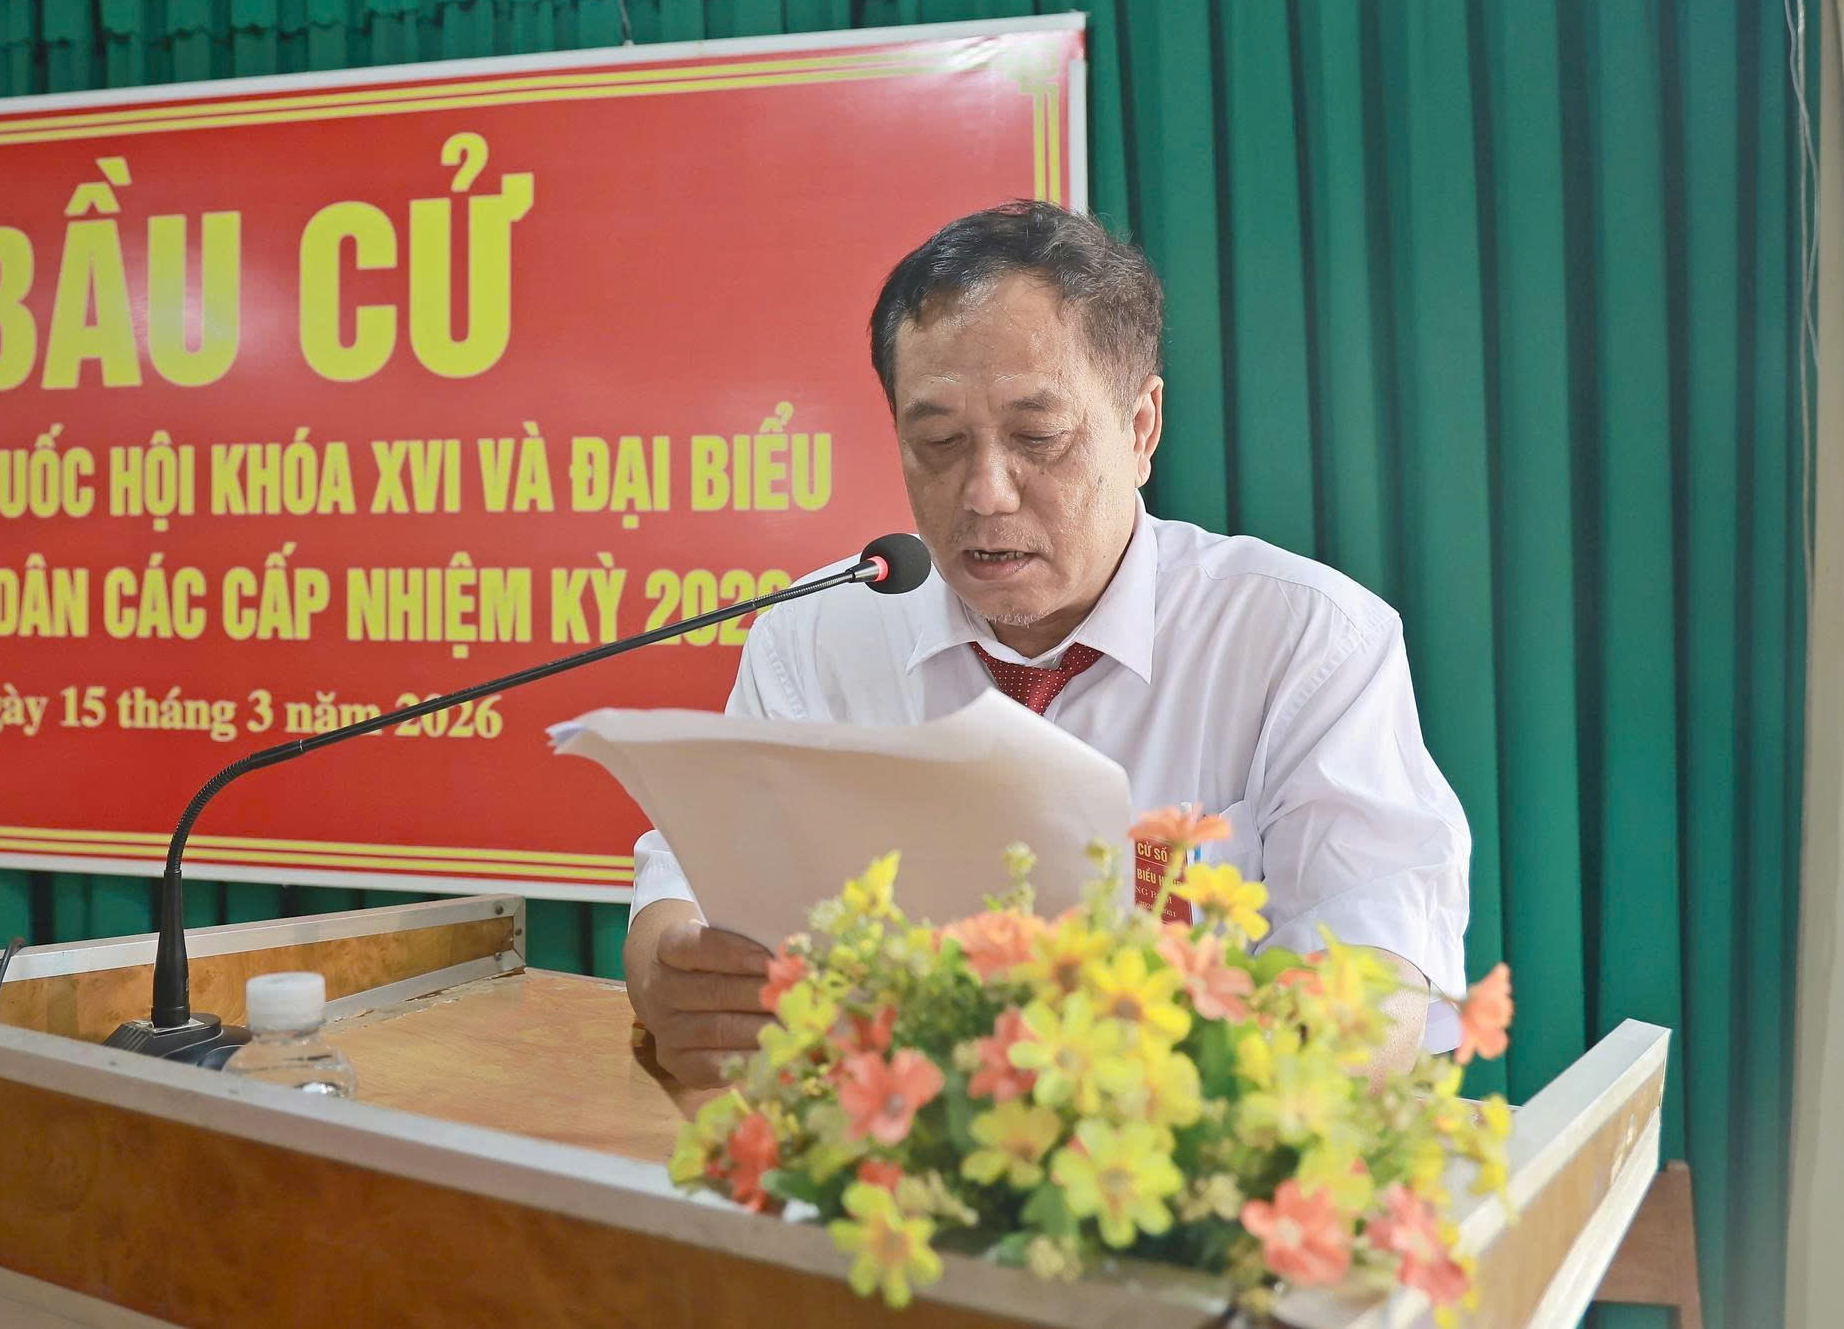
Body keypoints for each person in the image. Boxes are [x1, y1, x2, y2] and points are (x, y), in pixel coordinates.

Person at [622, 202, 1471, 1087]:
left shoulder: (1305, 641)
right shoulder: (817, 636)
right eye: (938, 442)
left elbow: (1374, 978)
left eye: (1038, 437)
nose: (985, 492)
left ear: (1141, 428)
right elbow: (689, 876)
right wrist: (669, 972)